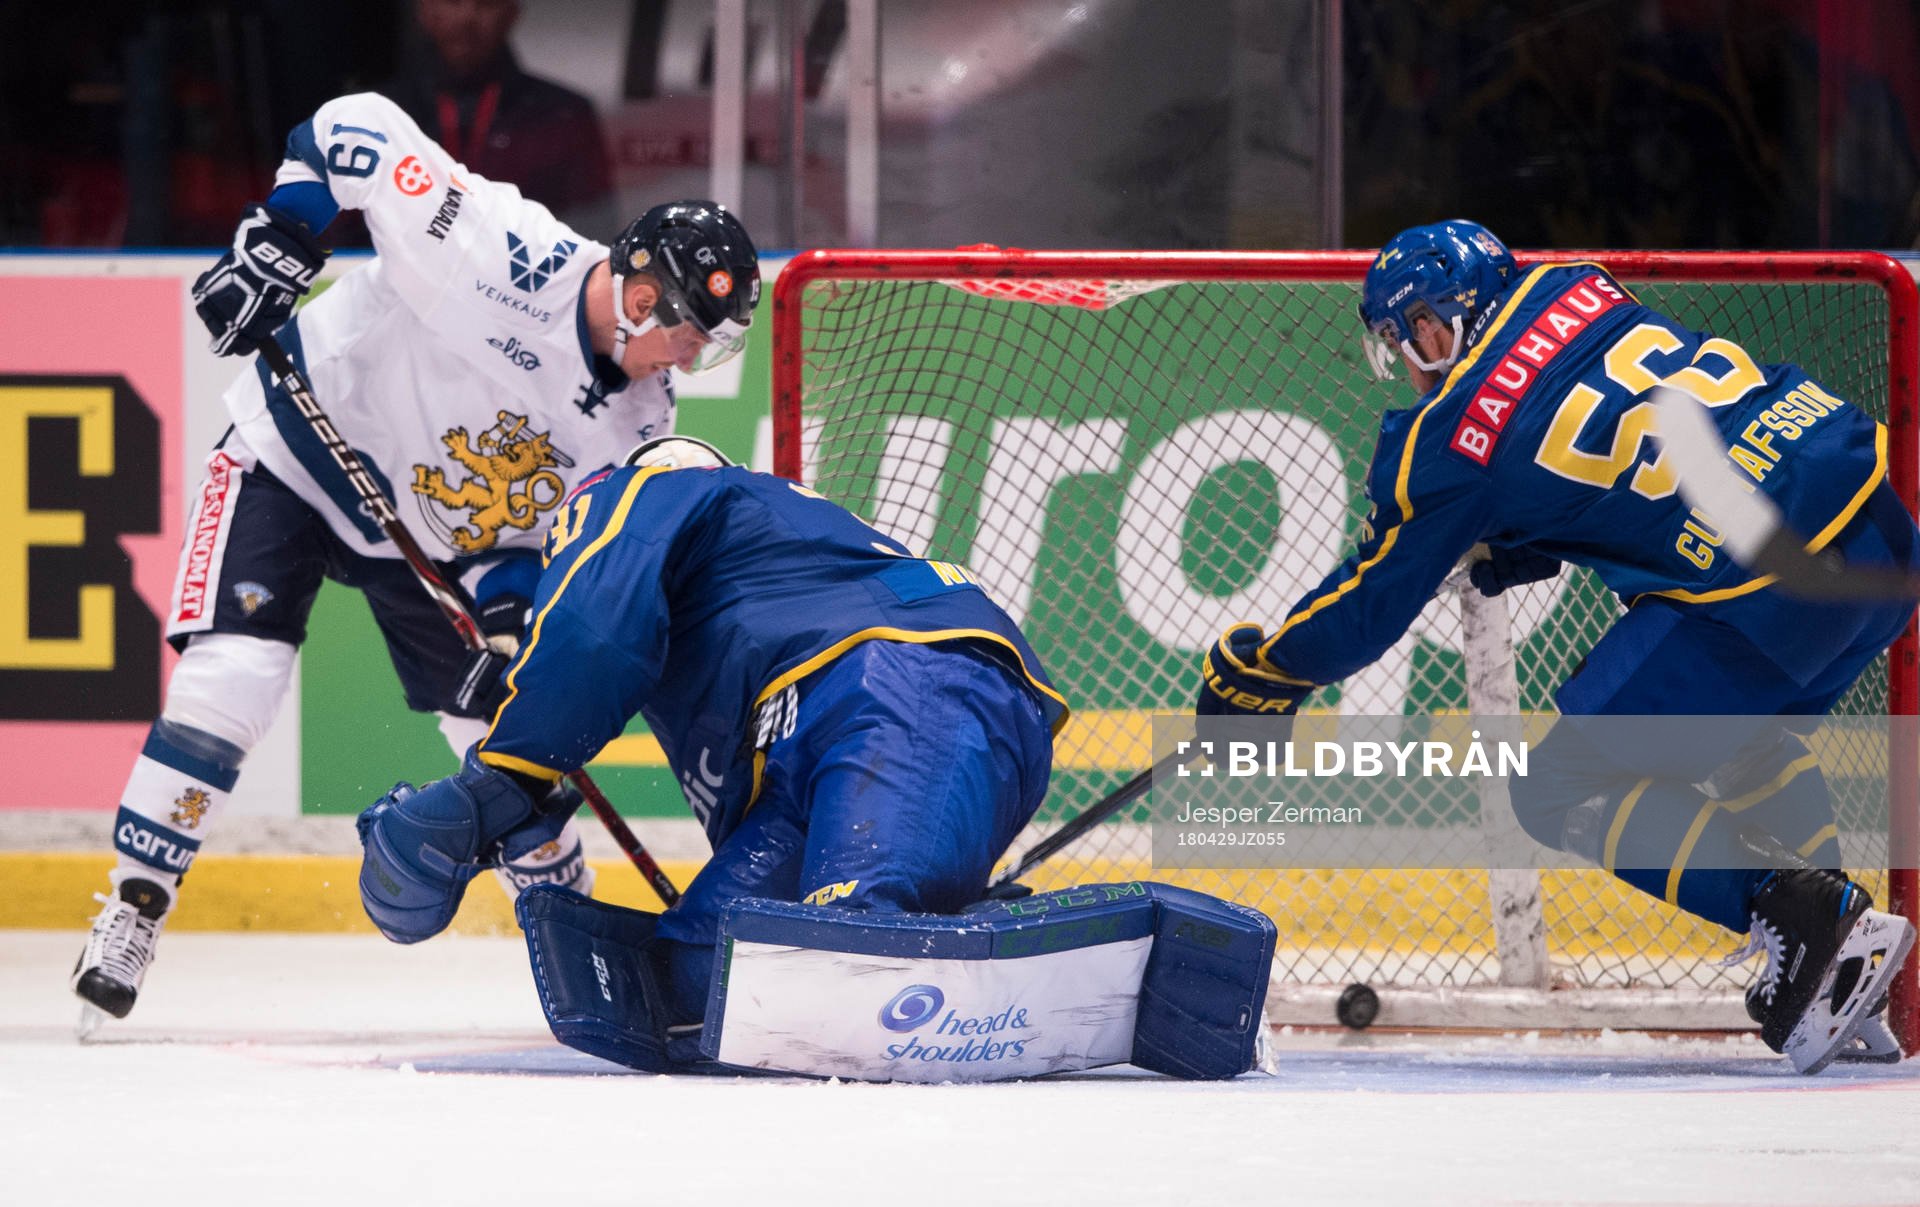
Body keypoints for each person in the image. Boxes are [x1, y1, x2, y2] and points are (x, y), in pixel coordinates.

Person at [69, 88, 760, 1026]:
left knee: (506, 746)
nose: (683, 362)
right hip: (300, 452)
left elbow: (528, 539)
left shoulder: (639, 420)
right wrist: (281, 234)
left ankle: (562, 928)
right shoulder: (497, 250)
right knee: (232, 677)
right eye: (687, 336)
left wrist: (512, 619)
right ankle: (132, 906)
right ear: (641, 298)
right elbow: (349, 128)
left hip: (432, 544)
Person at [1197, 219, 1917, 1074]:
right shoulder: (1578, 283)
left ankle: (1806, 921)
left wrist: (1268, 669)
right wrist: (1515, 541)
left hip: (1760, 582)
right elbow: (1611, 443)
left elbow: (1372, 603)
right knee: (1746, 734)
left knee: (1554, 787)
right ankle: (1838, 965)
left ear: (1435, 325)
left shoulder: (1451, 439)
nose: (1413, 361)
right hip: (1883, 529)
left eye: (1406, 339)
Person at [353, 441, 1277, 1082]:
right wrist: (498, 812)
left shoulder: (646, 494)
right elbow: (598, 675)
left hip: (893, 688)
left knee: (851, 937)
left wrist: (497, 777)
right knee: (689, 991)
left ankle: (1127, 940)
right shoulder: (755, 576)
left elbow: (591, 630)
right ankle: (953, 918)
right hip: (846, 739)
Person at [382, 0, 616, 239]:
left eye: (487, 4)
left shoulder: (564, 115)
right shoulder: (381, 113)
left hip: (531, 269)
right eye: (453, 1)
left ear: (512, 14)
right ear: (425, 10)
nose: (467, 18)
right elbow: (347, 233)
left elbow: (593, 234)